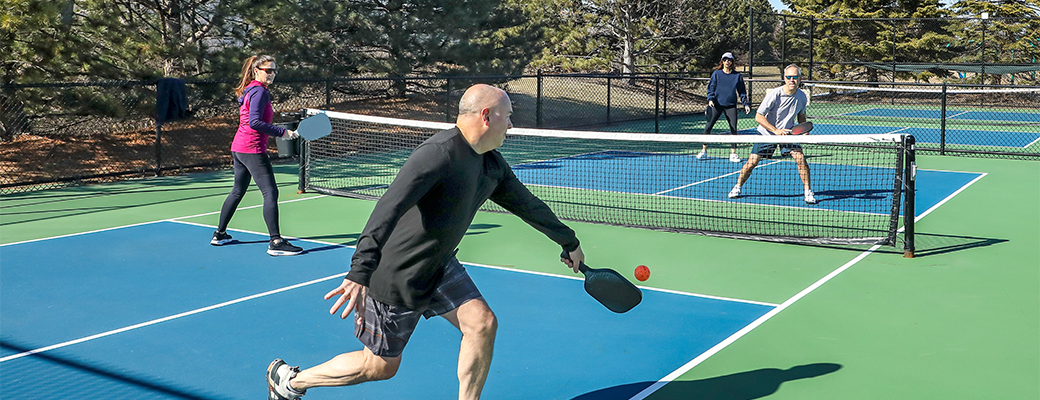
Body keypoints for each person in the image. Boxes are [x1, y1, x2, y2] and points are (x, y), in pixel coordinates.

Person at [265, 84, 586, 400]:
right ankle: (291, 382)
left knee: (482, 323)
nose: (512, 125)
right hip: (399, 272)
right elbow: (388, 208)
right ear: (486, 116)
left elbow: (526, 204)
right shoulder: (438, 154)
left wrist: (567, 241)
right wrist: (360, 271)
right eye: (508, 116)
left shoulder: (491, 163)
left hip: (439, 265)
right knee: (378, 366)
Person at [211, 55, 304, 256]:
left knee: (237, 191)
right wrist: (282, 132)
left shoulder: (251, 90)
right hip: (251, 149)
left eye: (274, 70)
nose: (271, 74)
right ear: (256, 70)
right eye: (267, 70)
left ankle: (219, 234)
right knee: (270, 192)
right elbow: (254, 122)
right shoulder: (259, 92)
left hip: (239, 147)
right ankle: (276, 242)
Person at [728, 64, 817, 204]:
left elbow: (801, 117)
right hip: (767, 133)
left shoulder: (802, 97)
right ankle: (737, 187)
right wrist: (775, 131)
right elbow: (758, 116)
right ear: (784, 78)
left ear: (800, 79)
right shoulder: (775, 94)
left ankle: (808, 192)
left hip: (788, 134)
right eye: (789, 77)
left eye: (795, 77)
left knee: (800, 159)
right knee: (752, 163)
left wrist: (802, 130)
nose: (791, 80)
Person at [698, 52, 751, 163]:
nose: (727, 61)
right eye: (725, 59)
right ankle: (703, 150)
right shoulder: (716, 74)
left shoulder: (737, 76)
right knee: (708, 127)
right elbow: (711, 88)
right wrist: (710, 99)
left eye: (729, 60)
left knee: (733, 129)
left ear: (732, 62)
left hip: (731, 106)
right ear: (722, 61)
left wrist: (745, 104)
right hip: (716, 105)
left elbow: (742, 91)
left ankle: (733, 153)